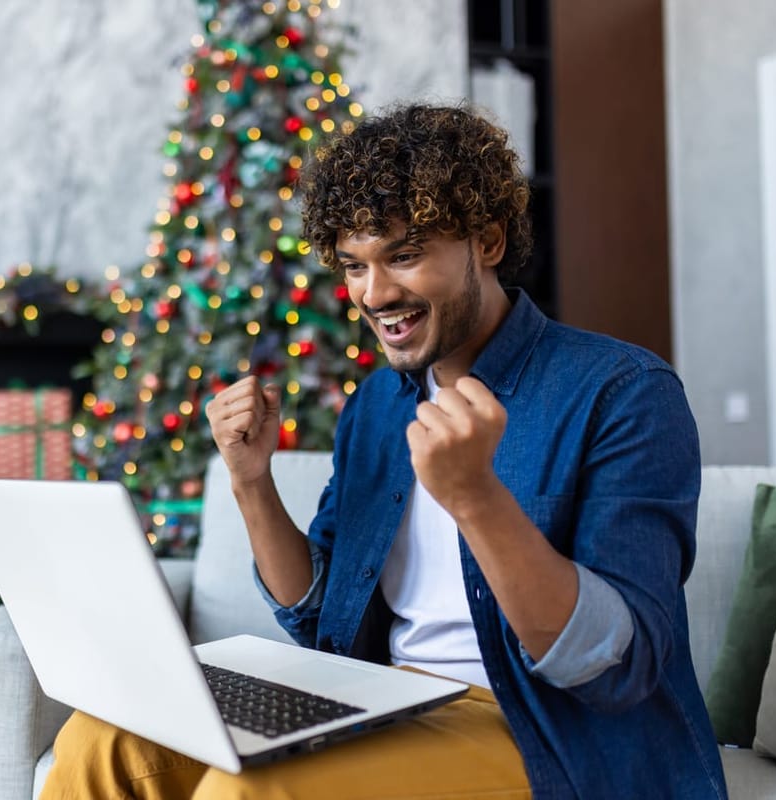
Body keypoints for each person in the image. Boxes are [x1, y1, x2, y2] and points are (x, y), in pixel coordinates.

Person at [41, 103, 729, 799]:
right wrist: (251, 481)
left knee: (248, 791)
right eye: (354, 266)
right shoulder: (377, 404)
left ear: (487, 242)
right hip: (383, 702)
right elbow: (318, 619)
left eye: (404, 255)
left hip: (549, 736)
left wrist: (475, 497)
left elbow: (617, 664)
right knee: (102, 741)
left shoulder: (622, 391)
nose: (375, 294)